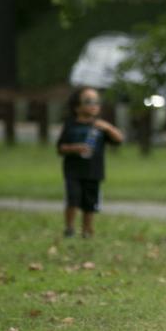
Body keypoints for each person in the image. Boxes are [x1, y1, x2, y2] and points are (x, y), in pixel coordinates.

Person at [56, 87, 124, 238]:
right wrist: (75, 148)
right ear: (77, 106)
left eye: (96, 101)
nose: (93, 105)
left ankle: (87, 230)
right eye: (88, 101)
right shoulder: (70, 125)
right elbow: (60, 147)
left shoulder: (100, 127)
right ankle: (70, 228)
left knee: (90, 202)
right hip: (73, 171)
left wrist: (109, 128)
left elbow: (119, 139)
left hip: (94, 171)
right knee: (73, 198)